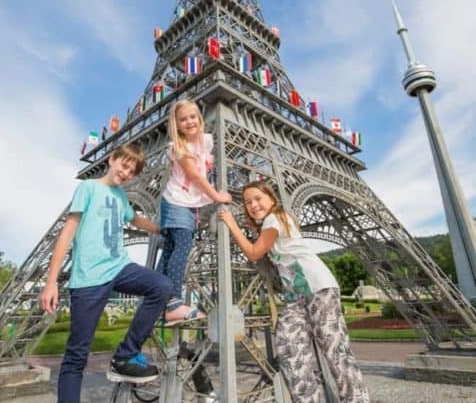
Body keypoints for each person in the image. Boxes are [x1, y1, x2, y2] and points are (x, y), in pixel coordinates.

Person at [40, 144, 173, 403]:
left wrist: (161, 229)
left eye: (132, 171)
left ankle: (125, 353)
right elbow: (68, 231)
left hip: (119, 267)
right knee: (77, 355)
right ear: (112, 159)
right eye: (124, 165)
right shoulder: (88, 188)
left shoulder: (121, 196)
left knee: (161, 286)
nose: (126, 173)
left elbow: (135, 220)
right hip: (88, 277)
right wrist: (50, 282)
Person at [219, 181, 370, 403]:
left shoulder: (275, 218)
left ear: (272, 198)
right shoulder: (271, 223)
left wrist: (232, 224)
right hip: (296, 296)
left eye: (258, 198)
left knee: (335, 351)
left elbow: (254, 253)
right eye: (248, 202)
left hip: (318, 287)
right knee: (289, 347)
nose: (253, 205)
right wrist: (256, 229)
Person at [157, 99, 232, 324]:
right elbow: (196, 177)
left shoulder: (205, 142)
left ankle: (156, 298)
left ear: (199, 119)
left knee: (170, 252)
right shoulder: (178, 148)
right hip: (177, 203)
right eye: (183, 119)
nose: (189, 121)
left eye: (193, 117)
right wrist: (218, 196)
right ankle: (173, 303)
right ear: (176, 125)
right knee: (180, 249)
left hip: (185, 205)